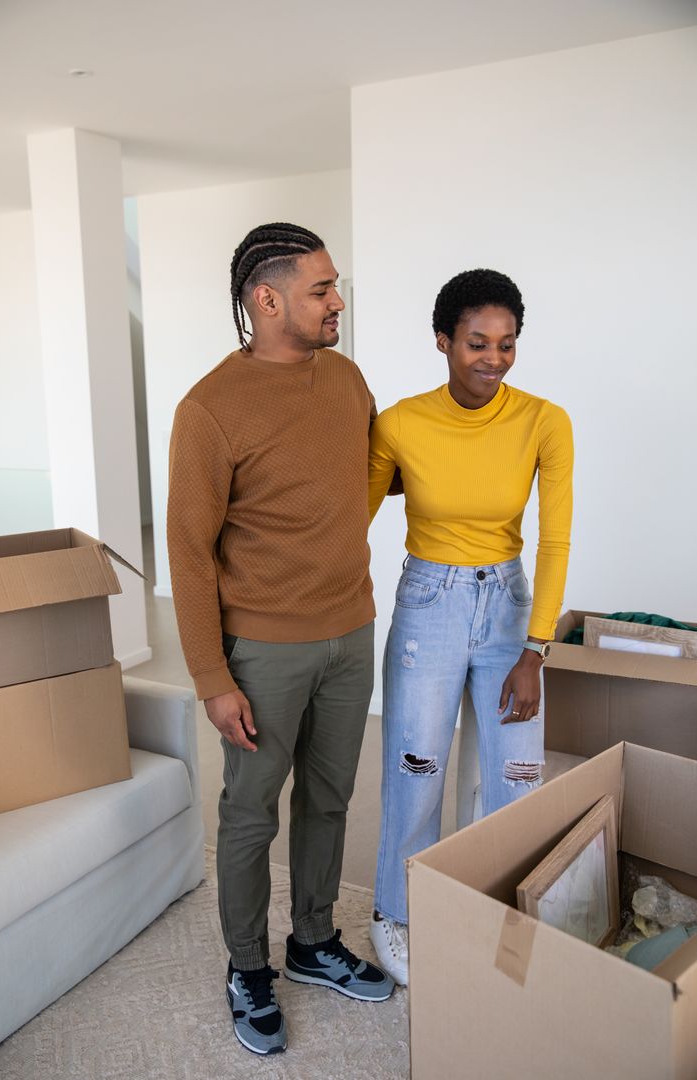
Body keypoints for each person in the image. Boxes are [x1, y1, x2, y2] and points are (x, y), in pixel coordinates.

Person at [167, 222, 394, 1057]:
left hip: (351, 630)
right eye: (321, 289)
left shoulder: (347, 378)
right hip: (262, 649)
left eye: (335, 286)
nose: (339, 302)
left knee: (331, 798)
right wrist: (209, 676)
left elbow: (360, 477)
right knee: (250, 811)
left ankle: (310, 942)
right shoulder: (208, 410)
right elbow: (188, 553)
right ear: (267, 301)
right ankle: (245, 968)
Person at [367, 269, 573, 986]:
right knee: (416, 767)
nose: (493, 359)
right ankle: (396, 911)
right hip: (430, 603)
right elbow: (348, 518)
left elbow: (554, 541)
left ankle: (495, 913)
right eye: (477, 343)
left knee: (515, 776)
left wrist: (535, 650)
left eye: (507, 345)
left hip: (511, 607)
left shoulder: (544, 420)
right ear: (442, 341)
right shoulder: (399, 423)